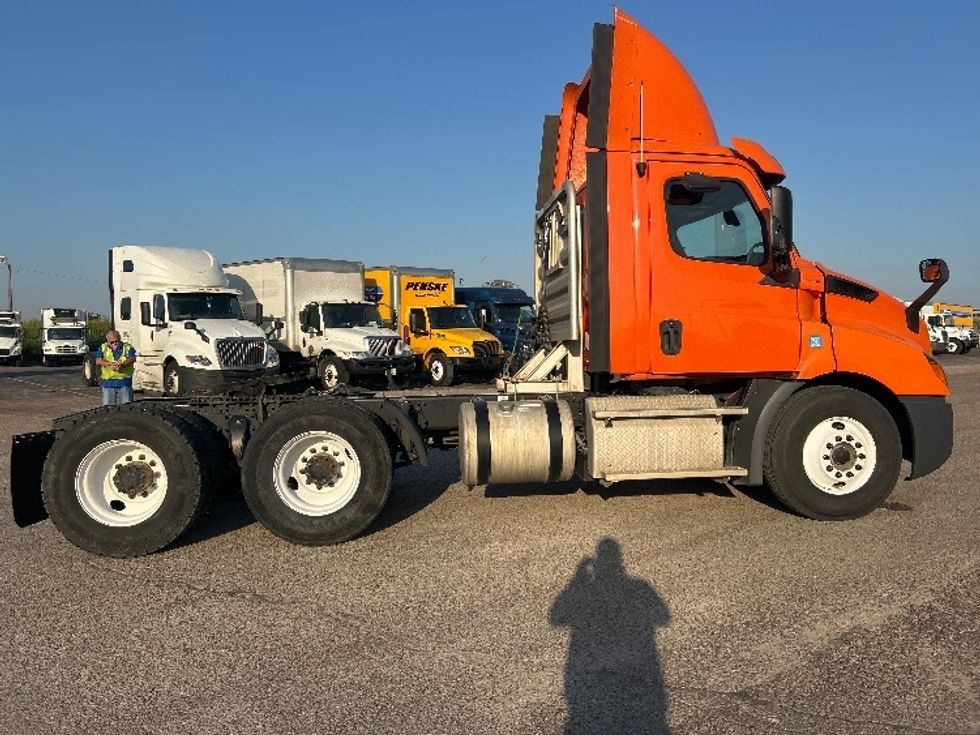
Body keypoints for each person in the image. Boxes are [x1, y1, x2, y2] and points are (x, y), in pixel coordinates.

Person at [96, 330, 137, 405]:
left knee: (126, 408)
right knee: (108, 409)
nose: (115, 343)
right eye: (112, 342)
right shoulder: (102, 348)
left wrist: (122, 365)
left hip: (124, 383)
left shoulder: (127, 347)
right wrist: (110, 364)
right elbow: (98, 360)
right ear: (107, 341)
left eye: (117, 341)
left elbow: (133, 358)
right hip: (108, 384)